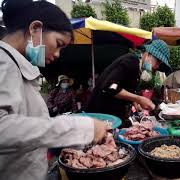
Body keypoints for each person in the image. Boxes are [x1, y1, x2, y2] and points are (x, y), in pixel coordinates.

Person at [0, 1, 110, 179]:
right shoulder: (2, 62)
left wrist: (58, 143)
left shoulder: (15, 66)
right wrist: (79, 128)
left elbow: (26, 127)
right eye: (58, 43)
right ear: (35, 29)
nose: (58, 54)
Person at [84, 39, 171, 127]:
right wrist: (139, 99)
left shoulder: (139, 69)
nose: (157, 66)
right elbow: (110, 87)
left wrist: (136, 103)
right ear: (148, 54)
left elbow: (125, 88)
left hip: (114, 117)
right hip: (99, 115)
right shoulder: (131, 61)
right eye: (158, 61)